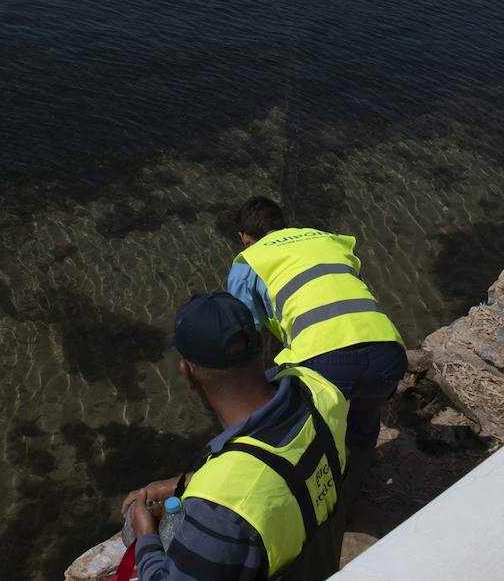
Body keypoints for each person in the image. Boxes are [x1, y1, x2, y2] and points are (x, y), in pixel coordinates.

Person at [122, 292, 350, 581]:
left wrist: (145, 536)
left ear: (187, 373)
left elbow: (242, 489)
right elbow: (280, 468)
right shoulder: (321, 391)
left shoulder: (219, 511)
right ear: (262, 343)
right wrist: (181, 484)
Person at [225, 197, 406, 510]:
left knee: (287, 426)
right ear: (280, 224)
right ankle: (350, 500)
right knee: (364, 424)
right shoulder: (327, 239)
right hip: (388, 352)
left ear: (244, 236)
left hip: (325, 362)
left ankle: (303, 507)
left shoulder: (248, 260)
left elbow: (248, 336)